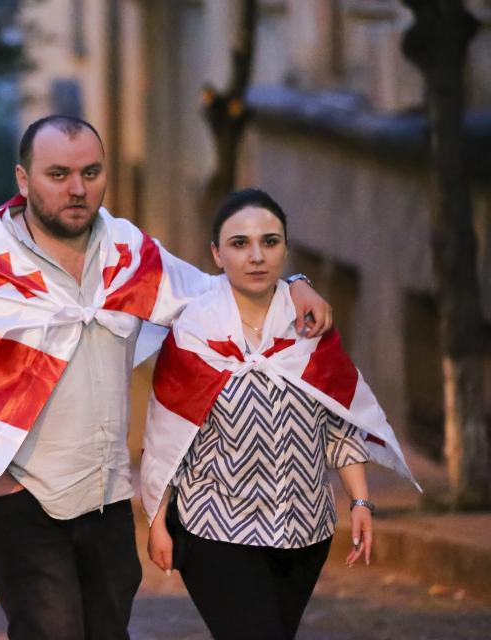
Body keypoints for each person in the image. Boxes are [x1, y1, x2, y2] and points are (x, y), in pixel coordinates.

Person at [0, 115, 333, 640]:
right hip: (22, 499)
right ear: (23, 181)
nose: (77, 189)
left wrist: (293, 283)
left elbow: (212, 299)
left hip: (107, 497)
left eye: (90, 173)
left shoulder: (127, 253)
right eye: (58, 174)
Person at [142, 188, 420, 640]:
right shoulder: (192, 333)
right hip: (215, 527)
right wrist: (158, 524)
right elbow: (164, 438)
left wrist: (362, 500)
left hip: (303, 530)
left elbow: (339, 422)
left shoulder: (310, 327)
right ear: (216, 253)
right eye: (239, 244)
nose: (256, 256)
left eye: (270, 242)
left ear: (285, 249)